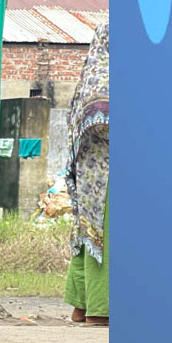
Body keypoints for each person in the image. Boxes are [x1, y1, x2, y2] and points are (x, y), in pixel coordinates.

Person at [63, 21, 109, 326]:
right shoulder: (105, 79)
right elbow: (102, 123)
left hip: (91, 175)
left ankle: (81, 307)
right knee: (107, 236)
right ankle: (100, 310)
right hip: (105, 176)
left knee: (89, 236)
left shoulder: (91, 75)